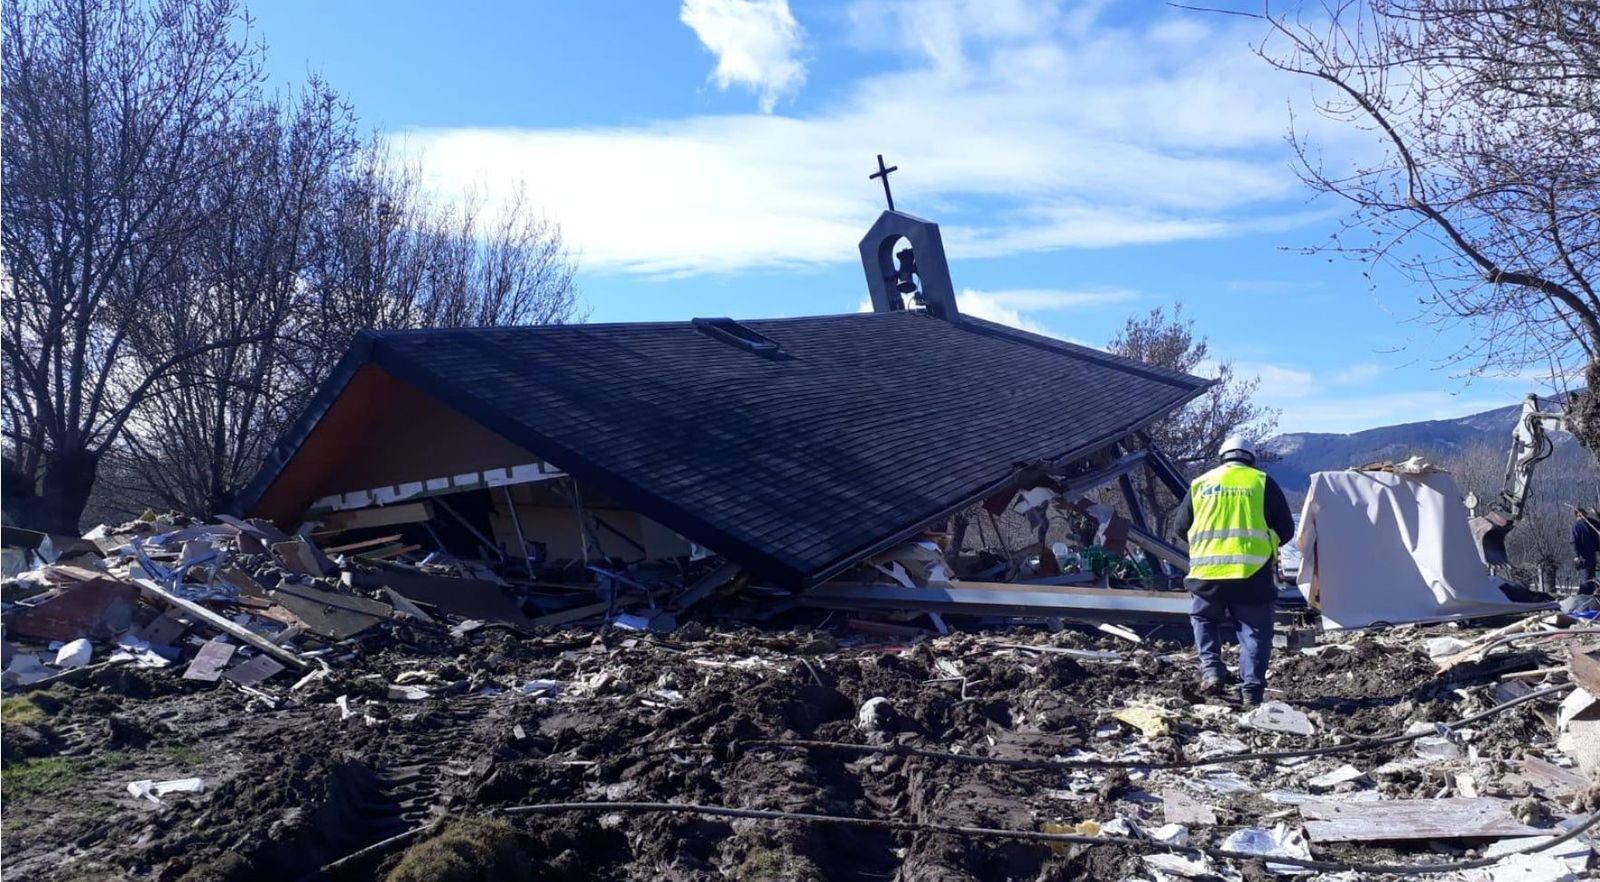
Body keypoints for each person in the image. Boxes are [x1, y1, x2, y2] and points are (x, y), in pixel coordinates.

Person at [1172, 435, 1295, 707]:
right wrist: (1267, 543)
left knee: (1204, 619)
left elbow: (1180, 528)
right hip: (1251, 573)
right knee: (1254, 631)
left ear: (1222, 457)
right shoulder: (1261, 482)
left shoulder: (1200, 484)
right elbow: (1286, 529)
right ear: (1251, 458)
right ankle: (1251, 690)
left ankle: (1212, 670)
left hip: (1207, 573)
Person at [1571, 508, 1599, 596]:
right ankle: (1583, 598)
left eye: (1584, 514)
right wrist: (1576, 556)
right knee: (1585, 580)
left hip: (1593, 555)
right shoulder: (1576, 527)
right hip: (1583, 558)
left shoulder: (1591, 523)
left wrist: (1597, 514)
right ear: (1577, 516)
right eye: (1580, 515)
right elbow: (1573, 542)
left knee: (1592, 579)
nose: (1582, 516)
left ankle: (1590, 597)